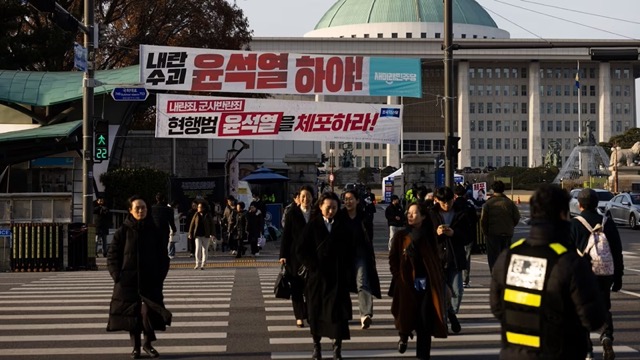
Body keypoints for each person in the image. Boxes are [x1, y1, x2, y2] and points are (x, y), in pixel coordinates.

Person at [490, 184, 606, 360]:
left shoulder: (509, 256)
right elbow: (593, 318)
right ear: (563, 214)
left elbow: (497, 308)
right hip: (559, 351)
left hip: (513, 352)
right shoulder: (570, 262)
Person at [107, 195, 172, 359]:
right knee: (132, 315)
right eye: (138, 208)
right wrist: (117, 277)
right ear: (130, 210)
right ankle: (135, 347)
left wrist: (160, 276)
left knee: (149, 314)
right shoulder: (123, 232)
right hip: (128, 282)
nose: (141, 210)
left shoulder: (154, 230)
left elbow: (163, 257)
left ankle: (148, 343)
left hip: (151, 281)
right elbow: (112, 257)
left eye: (144, 207)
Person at [297, 191, 356, 360]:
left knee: (338, 316)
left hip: (337, 278)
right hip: (317, 279)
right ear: (321, 207)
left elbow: (351, 248)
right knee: (315, 314)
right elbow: (300, 250)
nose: (331, 211)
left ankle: (337, 348)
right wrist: (313, 265)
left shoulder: (343, 225)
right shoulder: (313, 226)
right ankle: (317, 346)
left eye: (335, 208)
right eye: (328, 207)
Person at [569, 188, 624, 360]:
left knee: (580, 309)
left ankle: (587, 349)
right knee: (604, 307)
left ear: (579, 205)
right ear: (596, 203)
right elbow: (616, 250)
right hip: (605, 272)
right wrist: (618, 275)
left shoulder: (574, 224)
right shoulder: (607, 222)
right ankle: (606, 336)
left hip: (582, 274)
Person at [389, 201, 448, 359]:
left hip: (426, 284)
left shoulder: (429, 236)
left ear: (423, 216)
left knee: (424, 322)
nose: (410, 215)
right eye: (408, 212)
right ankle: (403, 336)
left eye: (414, 213)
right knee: (406, 315)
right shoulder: (400, 236)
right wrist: (397, 276)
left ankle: (423, 356)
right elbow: (393, 259)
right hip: (406, 283)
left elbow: (435, 258)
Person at [429, 186, 474, 334]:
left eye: (448, 202)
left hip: (455, 256)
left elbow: (468, 236)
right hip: (437, 258)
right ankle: (445, 319)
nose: (446, 205)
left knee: (457, 291)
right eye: (443, 202)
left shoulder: (461, 212)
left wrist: (454, 233)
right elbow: (426, 237)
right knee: (442, 292)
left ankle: (451, 313)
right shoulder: (431, 214)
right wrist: (437, 234)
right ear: (436, 200)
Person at [340, 190, 381, 330]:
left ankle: (365, 314)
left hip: (360, 254)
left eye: (351, 199)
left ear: (357, 201)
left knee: (362, 282)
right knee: (342, 284)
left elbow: (369, 236)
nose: (348, 202)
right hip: (344, 255)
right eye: (346, 199)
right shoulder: (340, 216)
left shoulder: (364, 217)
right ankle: (343, 314)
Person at [279, 185, 314, 328]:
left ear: (313, 197)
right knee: (296, 288)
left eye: (308, 196)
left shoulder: (317, 213)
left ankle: (311, 314)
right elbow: (286, 236)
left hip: (312, 257)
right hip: (294, 256)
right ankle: (299, 316)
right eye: (303, 196)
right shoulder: (292, 213)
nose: (306, 199)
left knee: (311, 289)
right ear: (299, 198)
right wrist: (283, 255)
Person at [480, 180, 521, 272]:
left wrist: (485, 232)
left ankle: (495, 277)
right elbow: (517, 217)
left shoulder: (488, 204)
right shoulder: (509, 203)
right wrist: (510, 226)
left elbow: (483, 221)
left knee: (493, 258)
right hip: (507, 233)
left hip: (492, 234)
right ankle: (504, 277)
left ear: (492, 189)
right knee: (506, 258)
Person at [454, 185, 478, 288]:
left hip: (455, 235)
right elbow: (475, 219)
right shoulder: (469, 205)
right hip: (468, 235)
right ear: (465, 194)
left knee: (455, 256)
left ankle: (456, 278)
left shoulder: (453, 206)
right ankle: (465, 280)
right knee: (467, 257)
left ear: (455, 195)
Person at [188, 202, 215, 270]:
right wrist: (190, 233)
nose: (198, 208)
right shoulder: (196, 214)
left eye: (199, 207)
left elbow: (212, 225)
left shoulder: (208, 215)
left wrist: (213, 234)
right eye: (198, 207)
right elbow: (192, 224)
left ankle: (203, 263)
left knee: (205, 249)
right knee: (197, 249)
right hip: (197, 235)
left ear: (203, 208)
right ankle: (197, 263)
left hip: (206, 235)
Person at [151, 193, 177, 261]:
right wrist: (174, 230)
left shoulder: (152, 208)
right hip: (164, 229)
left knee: (155, 245)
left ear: (156, 199)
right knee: (164, 245)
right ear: (163, 199)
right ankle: (162, 259)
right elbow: (171, 221)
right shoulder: (168, 209)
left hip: (154, 229)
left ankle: (155, 258)